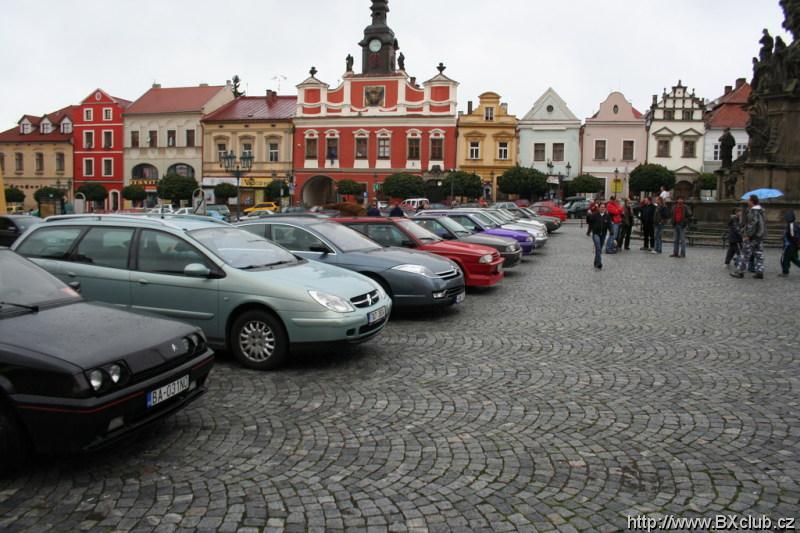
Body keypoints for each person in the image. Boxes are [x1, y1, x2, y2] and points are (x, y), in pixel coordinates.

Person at [731, 195, 766, 278]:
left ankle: (740, 272)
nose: (747, 202)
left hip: (752, 237)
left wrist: (747, 235)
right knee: (759, 254)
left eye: (748, 200)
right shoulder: (761, 211)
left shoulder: (753, 211)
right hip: (759, 236)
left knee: (745, 254)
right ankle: (759, 272)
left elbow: (752, 225)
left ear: (752, 201)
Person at [587, 202, 611, 269]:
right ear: (599, 208)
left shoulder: (607, 216)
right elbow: (589, 221)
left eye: (604, 207)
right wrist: (588, 215)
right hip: (596, 234)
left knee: (599, 249)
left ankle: (595, 261)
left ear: (605, 208)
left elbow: (609, 225)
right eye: (601, 207)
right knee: (598, 247)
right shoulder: (595, 215)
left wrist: (611, 231)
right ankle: (599, 263)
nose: (602, 208)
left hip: (603, 234)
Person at [780, 209, 800, 276]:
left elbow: (793, 235)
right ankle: (785, 271)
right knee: (794, 258)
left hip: (790, 245)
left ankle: (785, 272)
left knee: (785, 258)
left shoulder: (791, 225)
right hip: (794, 245)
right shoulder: (795, 224)